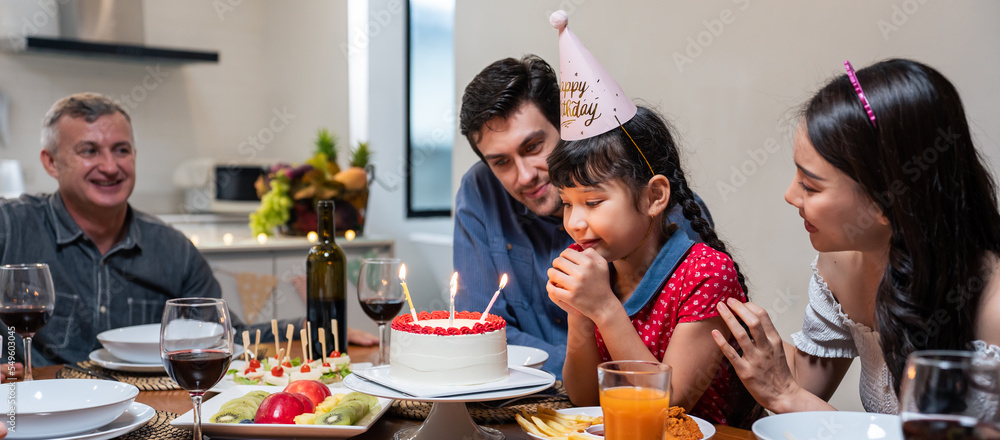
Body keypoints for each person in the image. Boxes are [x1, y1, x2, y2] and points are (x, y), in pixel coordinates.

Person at [0, 93, 371, 373]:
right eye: (89, 150)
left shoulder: (172, 248)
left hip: (148, 414)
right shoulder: (12, 226)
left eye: (122, 150)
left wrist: (309, 327)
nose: (110, 166)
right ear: (50, 162)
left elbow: (224, 336)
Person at [712, 59, 1000, 415]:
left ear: (887, 199)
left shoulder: (993, 306)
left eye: (810, 185)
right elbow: (805, 380)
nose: (790, 195)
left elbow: (792, 394)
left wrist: (787, 395)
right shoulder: (840, 267)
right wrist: (729, 314)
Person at [454, 55, 712, 379]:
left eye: (533, 147)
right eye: (501, 162)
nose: (523, 176)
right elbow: (479, 327)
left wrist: (600, 358)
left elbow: (673, 376)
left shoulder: (661, 215)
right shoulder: (480, 191)